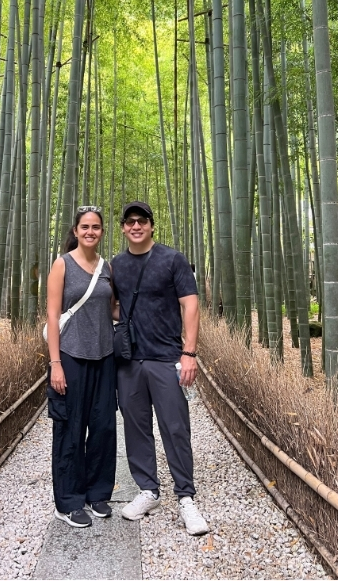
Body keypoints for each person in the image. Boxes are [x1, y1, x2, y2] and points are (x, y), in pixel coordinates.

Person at [112, 201, 209, 536]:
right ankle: (148, 491)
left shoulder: (172, 259)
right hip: (129, 362)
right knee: (136, 428)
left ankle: (186, 497)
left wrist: (190, 353)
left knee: (175, 427)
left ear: (152, 225)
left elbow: (190, 305)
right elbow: (113, 307)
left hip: (167, 357)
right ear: (123, 228)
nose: (136, 226)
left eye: (142, 221)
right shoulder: (116, 265)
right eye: (130, 222)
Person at [45, 206, 119, 528]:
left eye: (96, 227)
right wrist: (55, 364)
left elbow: (113, 310)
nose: (91, 232)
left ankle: (97, 493)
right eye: (85, 226)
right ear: (75, 231)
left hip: (104, 357)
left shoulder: (108, 268)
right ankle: (69, 501)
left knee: (103, 429)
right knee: (70, 430)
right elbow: (51, 316)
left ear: (102, 232)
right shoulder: (61, 265)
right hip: (71, 357)